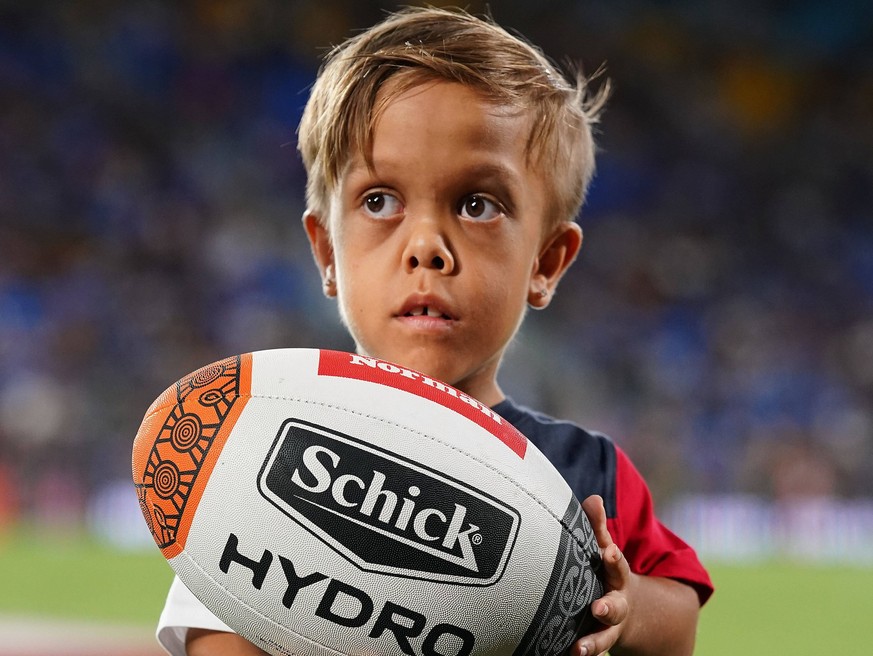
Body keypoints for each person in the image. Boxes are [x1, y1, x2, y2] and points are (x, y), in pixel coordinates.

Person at [156, 6, 713, 656]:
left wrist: (624, 607)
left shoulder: (588, 477)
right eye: (379, 201)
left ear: (545, 262)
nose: (426, 245)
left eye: (477, 205)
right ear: (326, 253)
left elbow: (676, 622)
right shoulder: (255, 455)